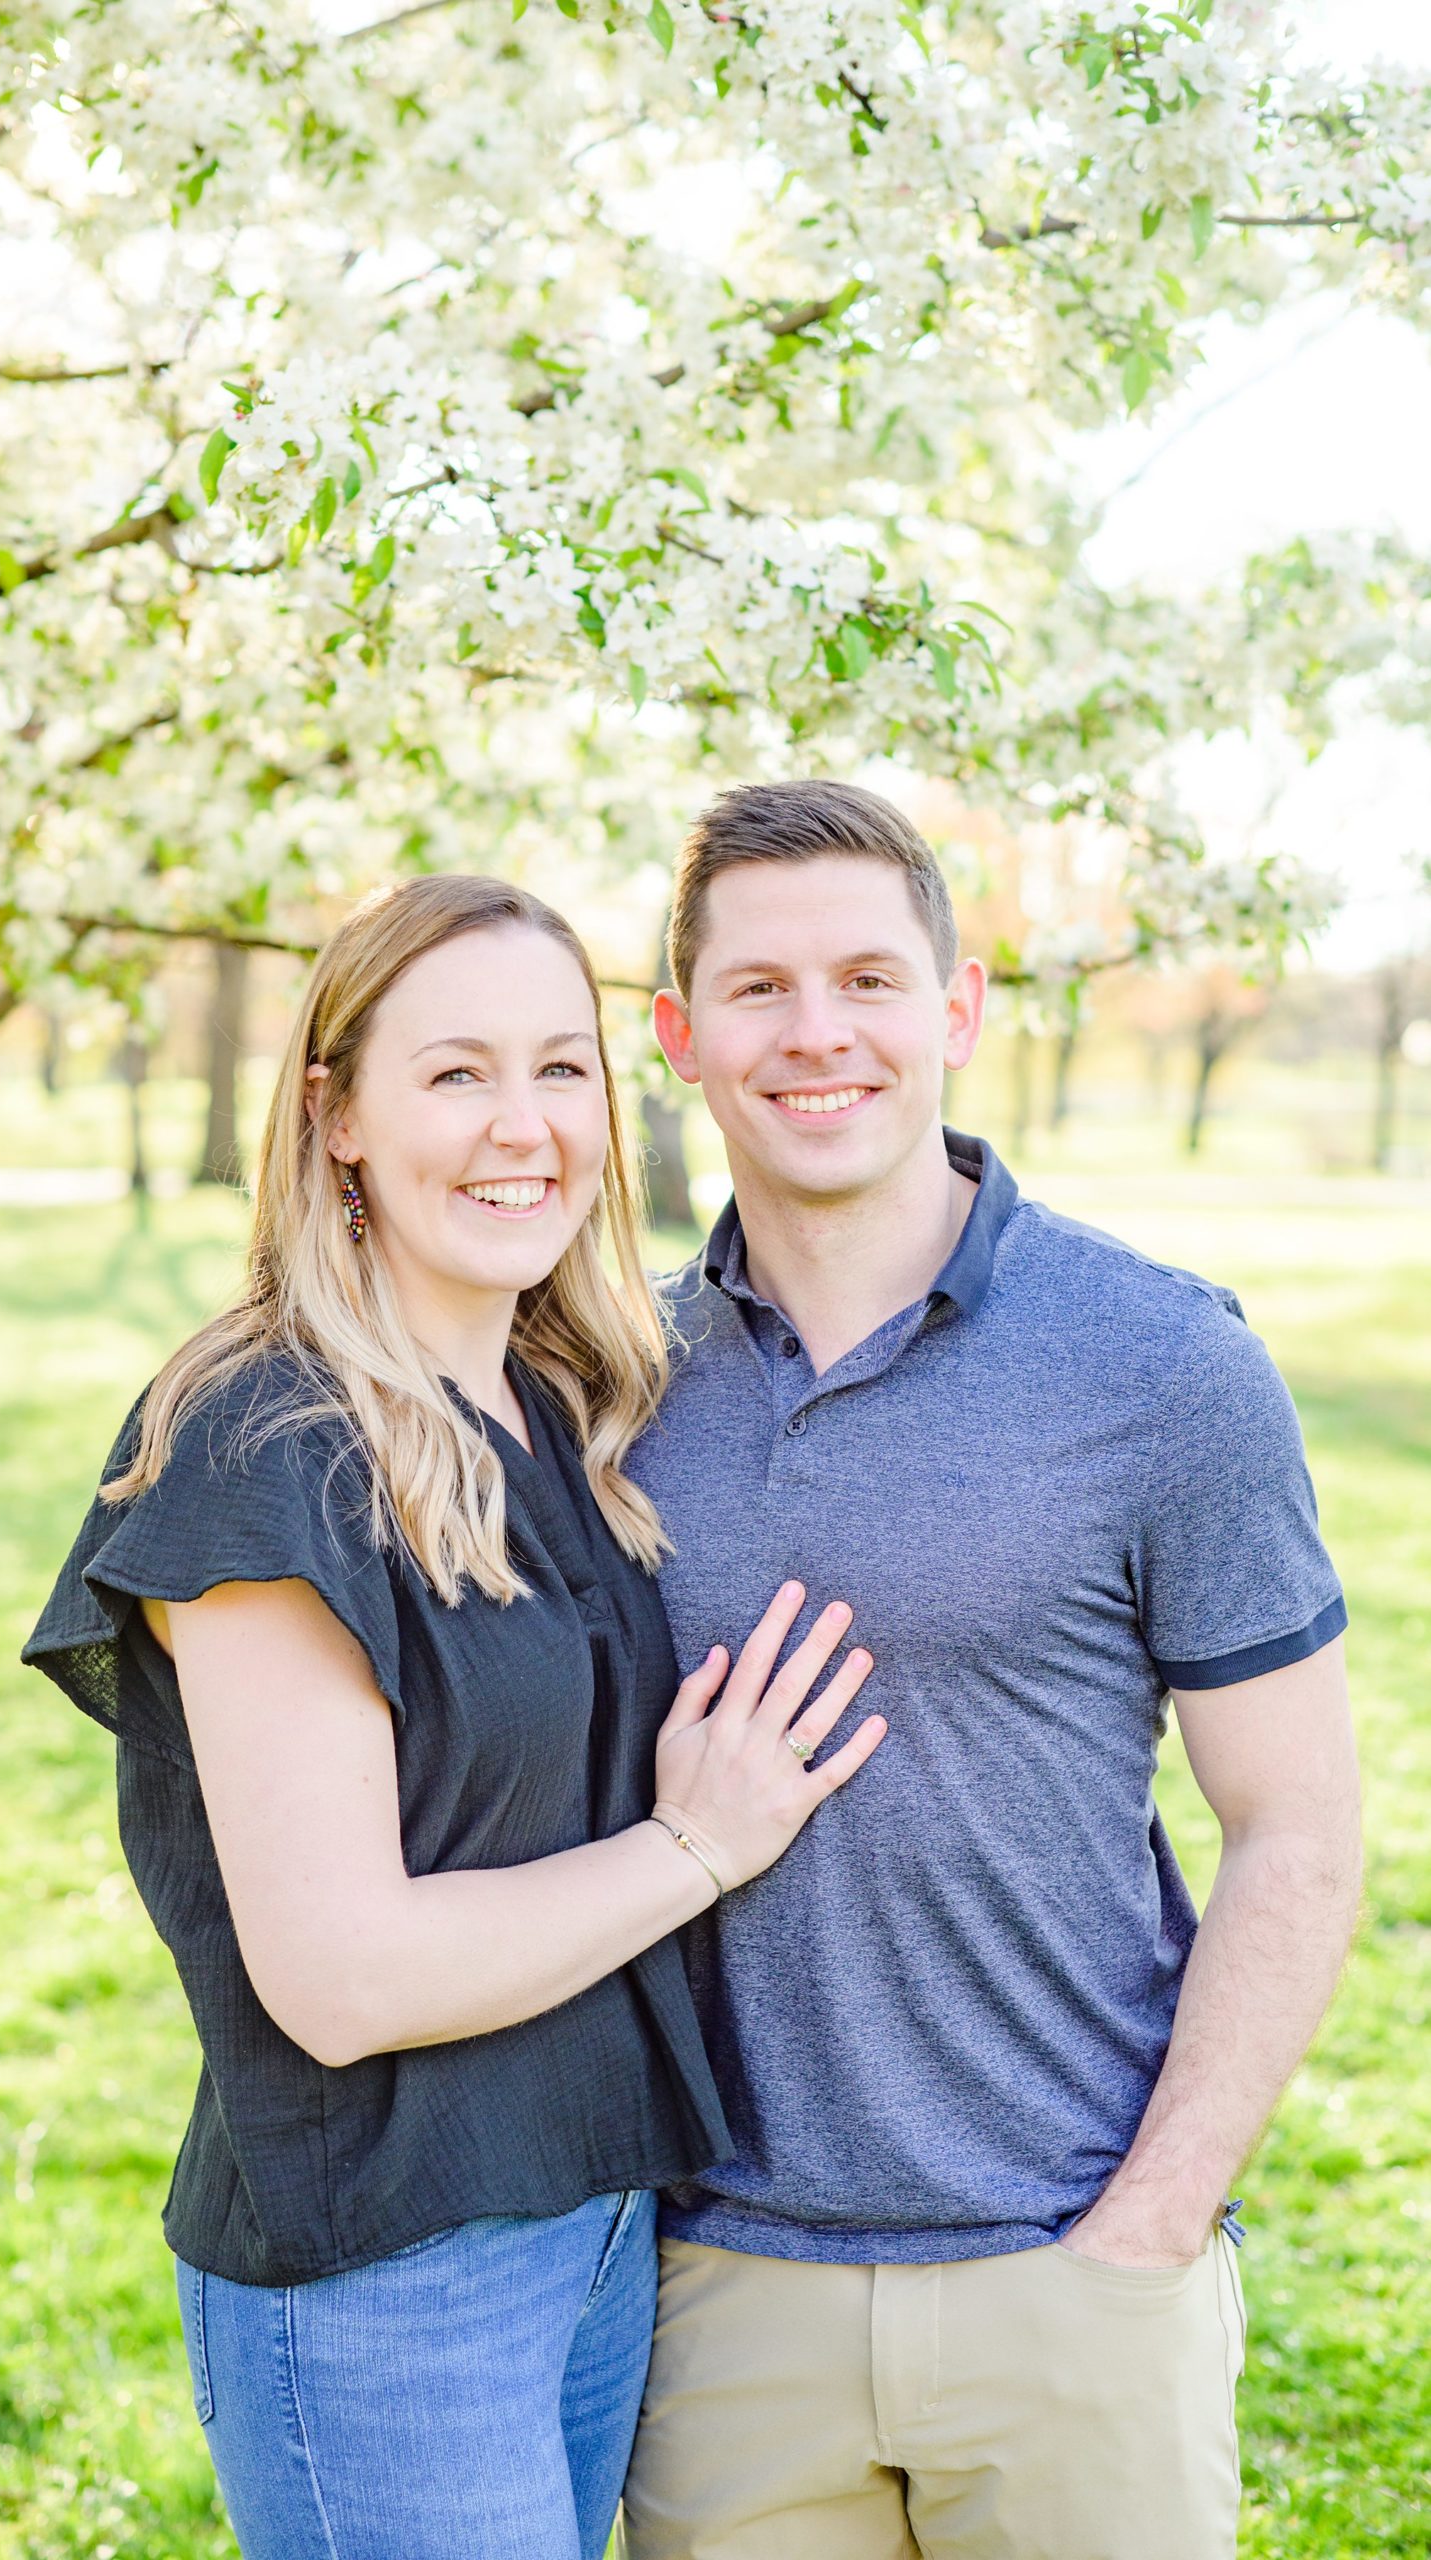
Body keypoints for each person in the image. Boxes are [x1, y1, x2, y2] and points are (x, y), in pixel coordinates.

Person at [23, 873, 887, 2560]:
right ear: (336, 1117)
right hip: (386, 2278)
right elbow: (341, 1980)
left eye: (564, 1071)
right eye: (456, 1074)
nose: (525, 1128)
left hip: (594, 2229)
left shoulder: (558, 1404)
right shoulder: (265, 1445)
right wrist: (698, 1845)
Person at [621, 780, 1364, 2560]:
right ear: (679, 1038)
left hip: (1072, 2276)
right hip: (714, 2295)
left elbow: (1299, 1825)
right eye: (761, 990)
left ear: (956, 1013)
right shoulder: (607, 1381)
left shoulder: (1165, 1364)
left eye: (871, 980)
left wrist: (1154, 2227)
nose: (819, 1035)